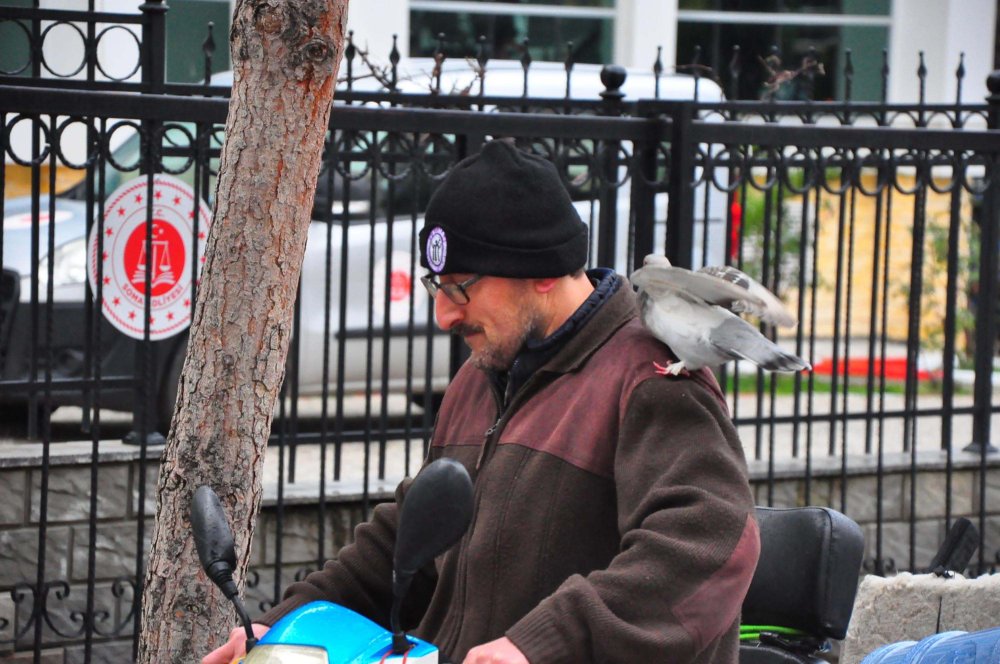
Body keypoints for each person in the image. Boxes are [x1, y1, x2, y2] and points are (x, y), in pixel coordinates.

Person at [203, 139, 760, 664]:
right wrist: (278, 633)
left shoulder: (649, 380)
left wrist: (536, 646)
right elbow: (404, 546)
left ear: (539, 274)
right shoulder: (482, 376)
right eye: (436, 285)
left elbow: (709, 545)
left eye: (460, 287)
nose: (444, 315)